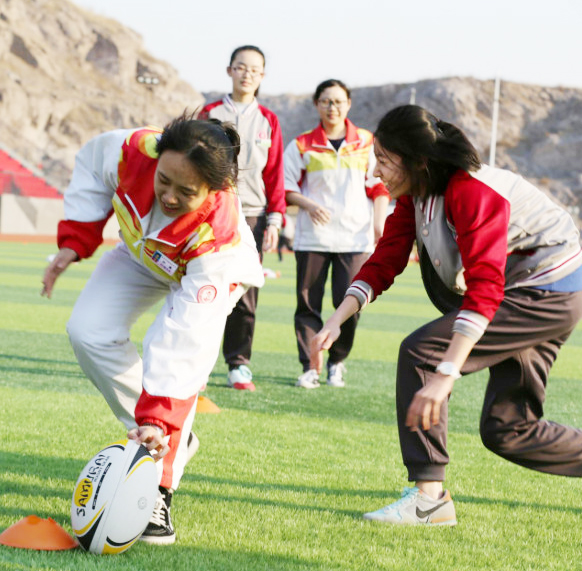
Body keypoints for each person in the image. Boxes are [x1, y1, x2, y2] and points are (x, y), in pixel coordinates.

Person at [312, 104, 582, 525]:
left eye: (383, 160)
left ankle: (429, 500)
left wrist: (445, 373)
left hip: (544, 291)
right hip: (532, 291)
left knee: (420, 353)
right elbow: (386, 259)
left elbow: (486, 287)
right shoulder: (417, 193)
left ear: (418, 160)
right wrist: (337, 317)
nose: (374, 171)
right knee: (509, 430)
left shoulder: (472, 191)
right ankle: (430, 497)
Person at [41, 115, 264, 544]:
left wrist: (158, 418)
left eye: (187, 192)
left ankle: (159, 483)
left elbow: (183, 344)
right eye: (165, 180)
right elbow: (90, 168)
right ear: (157, 154)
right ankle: (172, 438)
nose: (169, 196)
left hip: (202, 272)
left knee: (170, 362)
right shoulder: (129, 149)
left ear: (214, 191)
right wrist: (76, 240)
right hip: (142, 255)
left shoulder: (219, 235)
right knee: (87, 330)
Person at [284, 79, 389, 389]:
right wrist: (308, 204)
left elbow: (380, 186)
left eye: (339, 102)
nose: (333, 107)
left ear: (349, 104)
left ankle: (337, 363)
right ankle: (310, 366)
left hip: (355, 239)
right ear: (317, 104)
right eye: (326, 102)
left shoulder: (367, 142)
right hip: (313, 238)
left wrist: (379, 224)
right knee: (307, 306)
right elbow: (286, 188)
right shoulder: (301, 144)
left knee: (351, 304)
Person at [199, 45, 286, 392]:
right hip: (213, 214)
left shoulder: (269, 120)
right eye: (241, 67)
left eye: (254, 69)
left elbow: (276, 173)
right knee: (203, 287)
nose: (247, 73)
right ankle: (198, 362)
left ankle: (238, 364)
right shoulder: (209, 112)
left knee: (245, 293)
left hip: (253, 217)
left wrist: (276, 218)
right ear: (229, 70)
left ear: (262, 76)